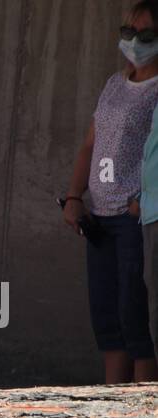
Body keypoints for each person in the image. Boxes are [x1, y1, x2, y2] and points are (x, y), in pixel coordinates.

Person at [65, 0, 158, 383]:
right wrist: (74, 197)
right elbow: (91, 144)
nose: (135, 41)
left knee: (136, 319)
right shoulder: (114, 85)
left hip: (133, 219)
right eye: (128, 32)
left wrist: (144, 202)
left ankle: (140, 416)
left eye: (146, 34)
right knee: (107, 319)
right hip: (100, 219)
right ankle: (109, 412)